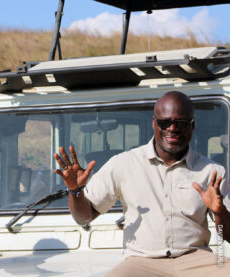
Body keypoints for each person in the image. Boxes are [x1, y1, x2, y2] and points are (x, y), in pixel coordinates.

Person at [54, 91, 230, 276]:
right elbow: (84, 218)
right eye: (164, 122)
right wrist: (75, 191)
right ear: (154, 123)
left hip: (196, 259)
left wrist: (220, 212)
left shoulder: (212, 171)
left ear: (192, 126)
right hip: (142, 262)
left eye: (181, 123)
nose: (172, 128)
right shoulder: (123, 164)